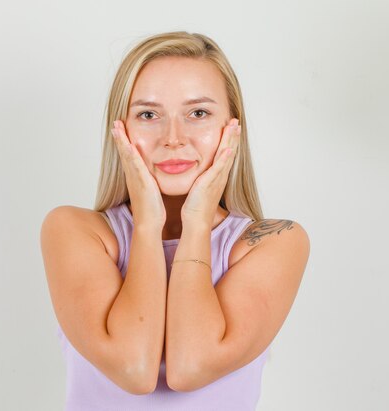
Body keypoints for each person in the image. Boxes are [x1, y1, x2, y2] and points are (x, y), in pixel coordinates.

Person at [40, 30, 310, 410]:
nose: (173, 138)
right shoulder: (76, 231)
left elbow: (190, 366)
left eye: (198, 113)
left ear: (231, 127)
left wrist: (197, 222)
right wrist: (147, 226)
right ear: (121, 129)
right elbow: (134, 370)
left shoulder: (274, 243)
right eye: (148, 114)